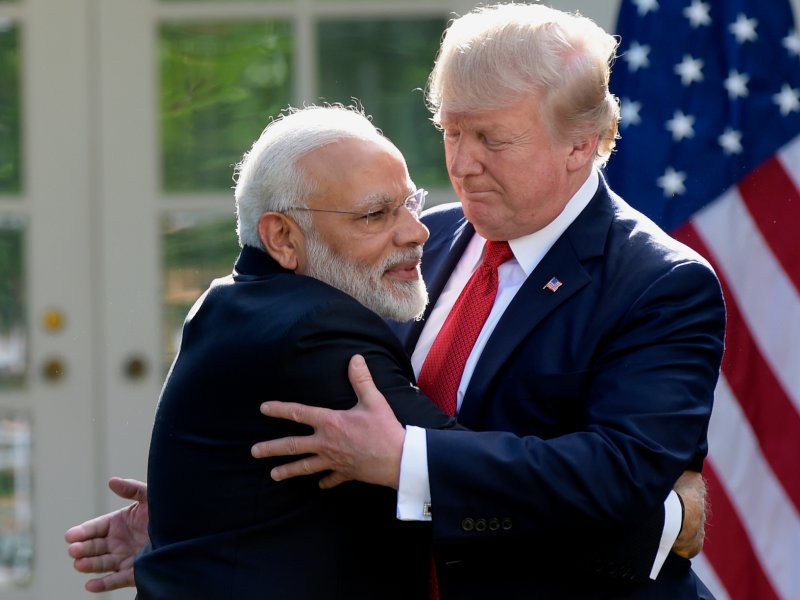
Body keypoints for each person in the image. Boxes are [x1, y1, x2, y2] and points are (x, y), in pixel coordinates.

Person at [66, 4, 718, 597]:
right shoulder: (418, 240)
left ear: (579, 144)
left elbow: (616, 475)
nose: (460, 164)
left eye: (491, 138)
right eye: (450, 131)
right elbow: (328, 413)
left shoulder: (661, 284)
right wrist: (215, 513)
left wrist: (411, 460)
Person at [117, 104, 461, 599]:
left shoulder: (230, 300)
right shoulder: (315, 331)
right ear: (281, 237)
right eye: (375, 214)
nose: (417, 232)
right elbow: (466, 477)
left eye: (410, 203)